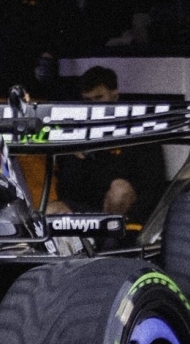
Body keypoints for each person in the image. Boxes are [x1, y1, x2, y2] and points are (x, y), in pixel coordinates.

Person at [54, 66, 166, 225]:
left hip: (127, 215)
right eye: (88, 101)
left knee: (119, 190)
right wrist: (78, 160)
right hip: (89, 210)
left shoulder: (138, 128)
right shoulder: (78, 132)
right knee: (52, 209)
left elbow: (153, 185)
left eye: (99, 98)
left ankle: (112, 236)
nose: (93, 106)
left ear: (115, 95)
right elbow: (66, 192)